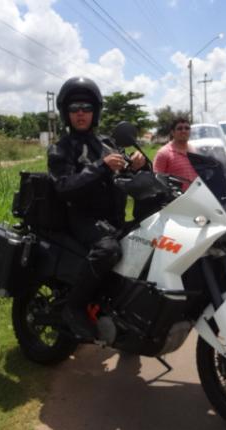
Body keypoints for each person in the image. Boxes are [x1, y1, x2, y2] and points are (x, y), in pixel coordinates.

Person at [47, 76, 147, 339]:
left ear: (96, 111)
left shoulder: (106, 144)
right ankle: (75, 306)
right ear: (66, 113)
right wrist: (101, 167)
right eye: (74, 109)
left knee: (146, 242)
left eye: (86, 108)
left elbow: (126, 174)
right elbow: (64, 185)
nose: (81, 113)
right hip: (81, 218)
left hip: (111, 218)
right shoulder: (61, 148)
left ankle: (127, 313)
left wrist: (138, 165)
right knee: (108, 249)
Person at [153, 117, 198, 190]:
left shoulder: (195, 150)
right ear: (172, 132)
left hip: (196, 197)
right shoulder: (164, 153)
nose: (184, 131)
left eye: (187, 128)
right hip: (176, 199)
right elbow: (157, 180)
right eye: (179, 128)